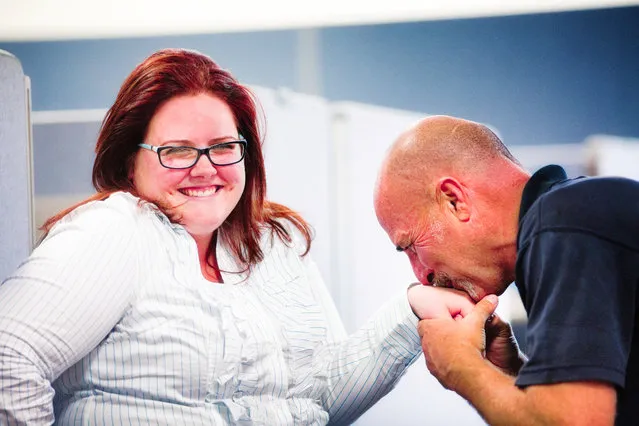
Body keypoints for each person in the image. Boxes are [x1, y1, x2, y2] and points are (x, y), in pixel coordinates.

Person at [0, 49, 477, 425]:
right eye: (177, 151)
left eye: (224, 147)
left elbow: (318, 399)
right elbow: (9, 354)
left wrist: (412, 309)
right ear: (130, 161)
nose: (205, 168)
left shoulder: (271, 246)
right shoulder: (118, 229)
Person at [373, 114, 639, 425]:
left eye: (412, 246)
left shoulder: (562, 225)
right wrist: (511, 370)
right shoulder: (570, 217)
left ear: (454, 200)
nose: (421, 275)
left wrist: (460, 367)